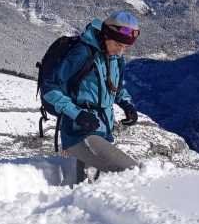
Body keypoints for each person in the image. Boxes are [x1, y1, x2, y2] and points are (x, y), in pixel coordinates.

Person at [42, 11, 141, 184]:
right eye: (118, 44)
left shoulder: (115, 57)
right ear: (106, 35)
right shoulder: (82, 53)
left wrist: (127, 105)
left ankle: (77, 208)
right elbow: (50, 89)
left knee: (88, 188)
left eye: (126, 47)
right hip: (78, 131)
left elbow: (115, 88)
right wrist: (78, 114)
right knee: (133, 173)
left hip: (103, 131)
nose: (121, 50)